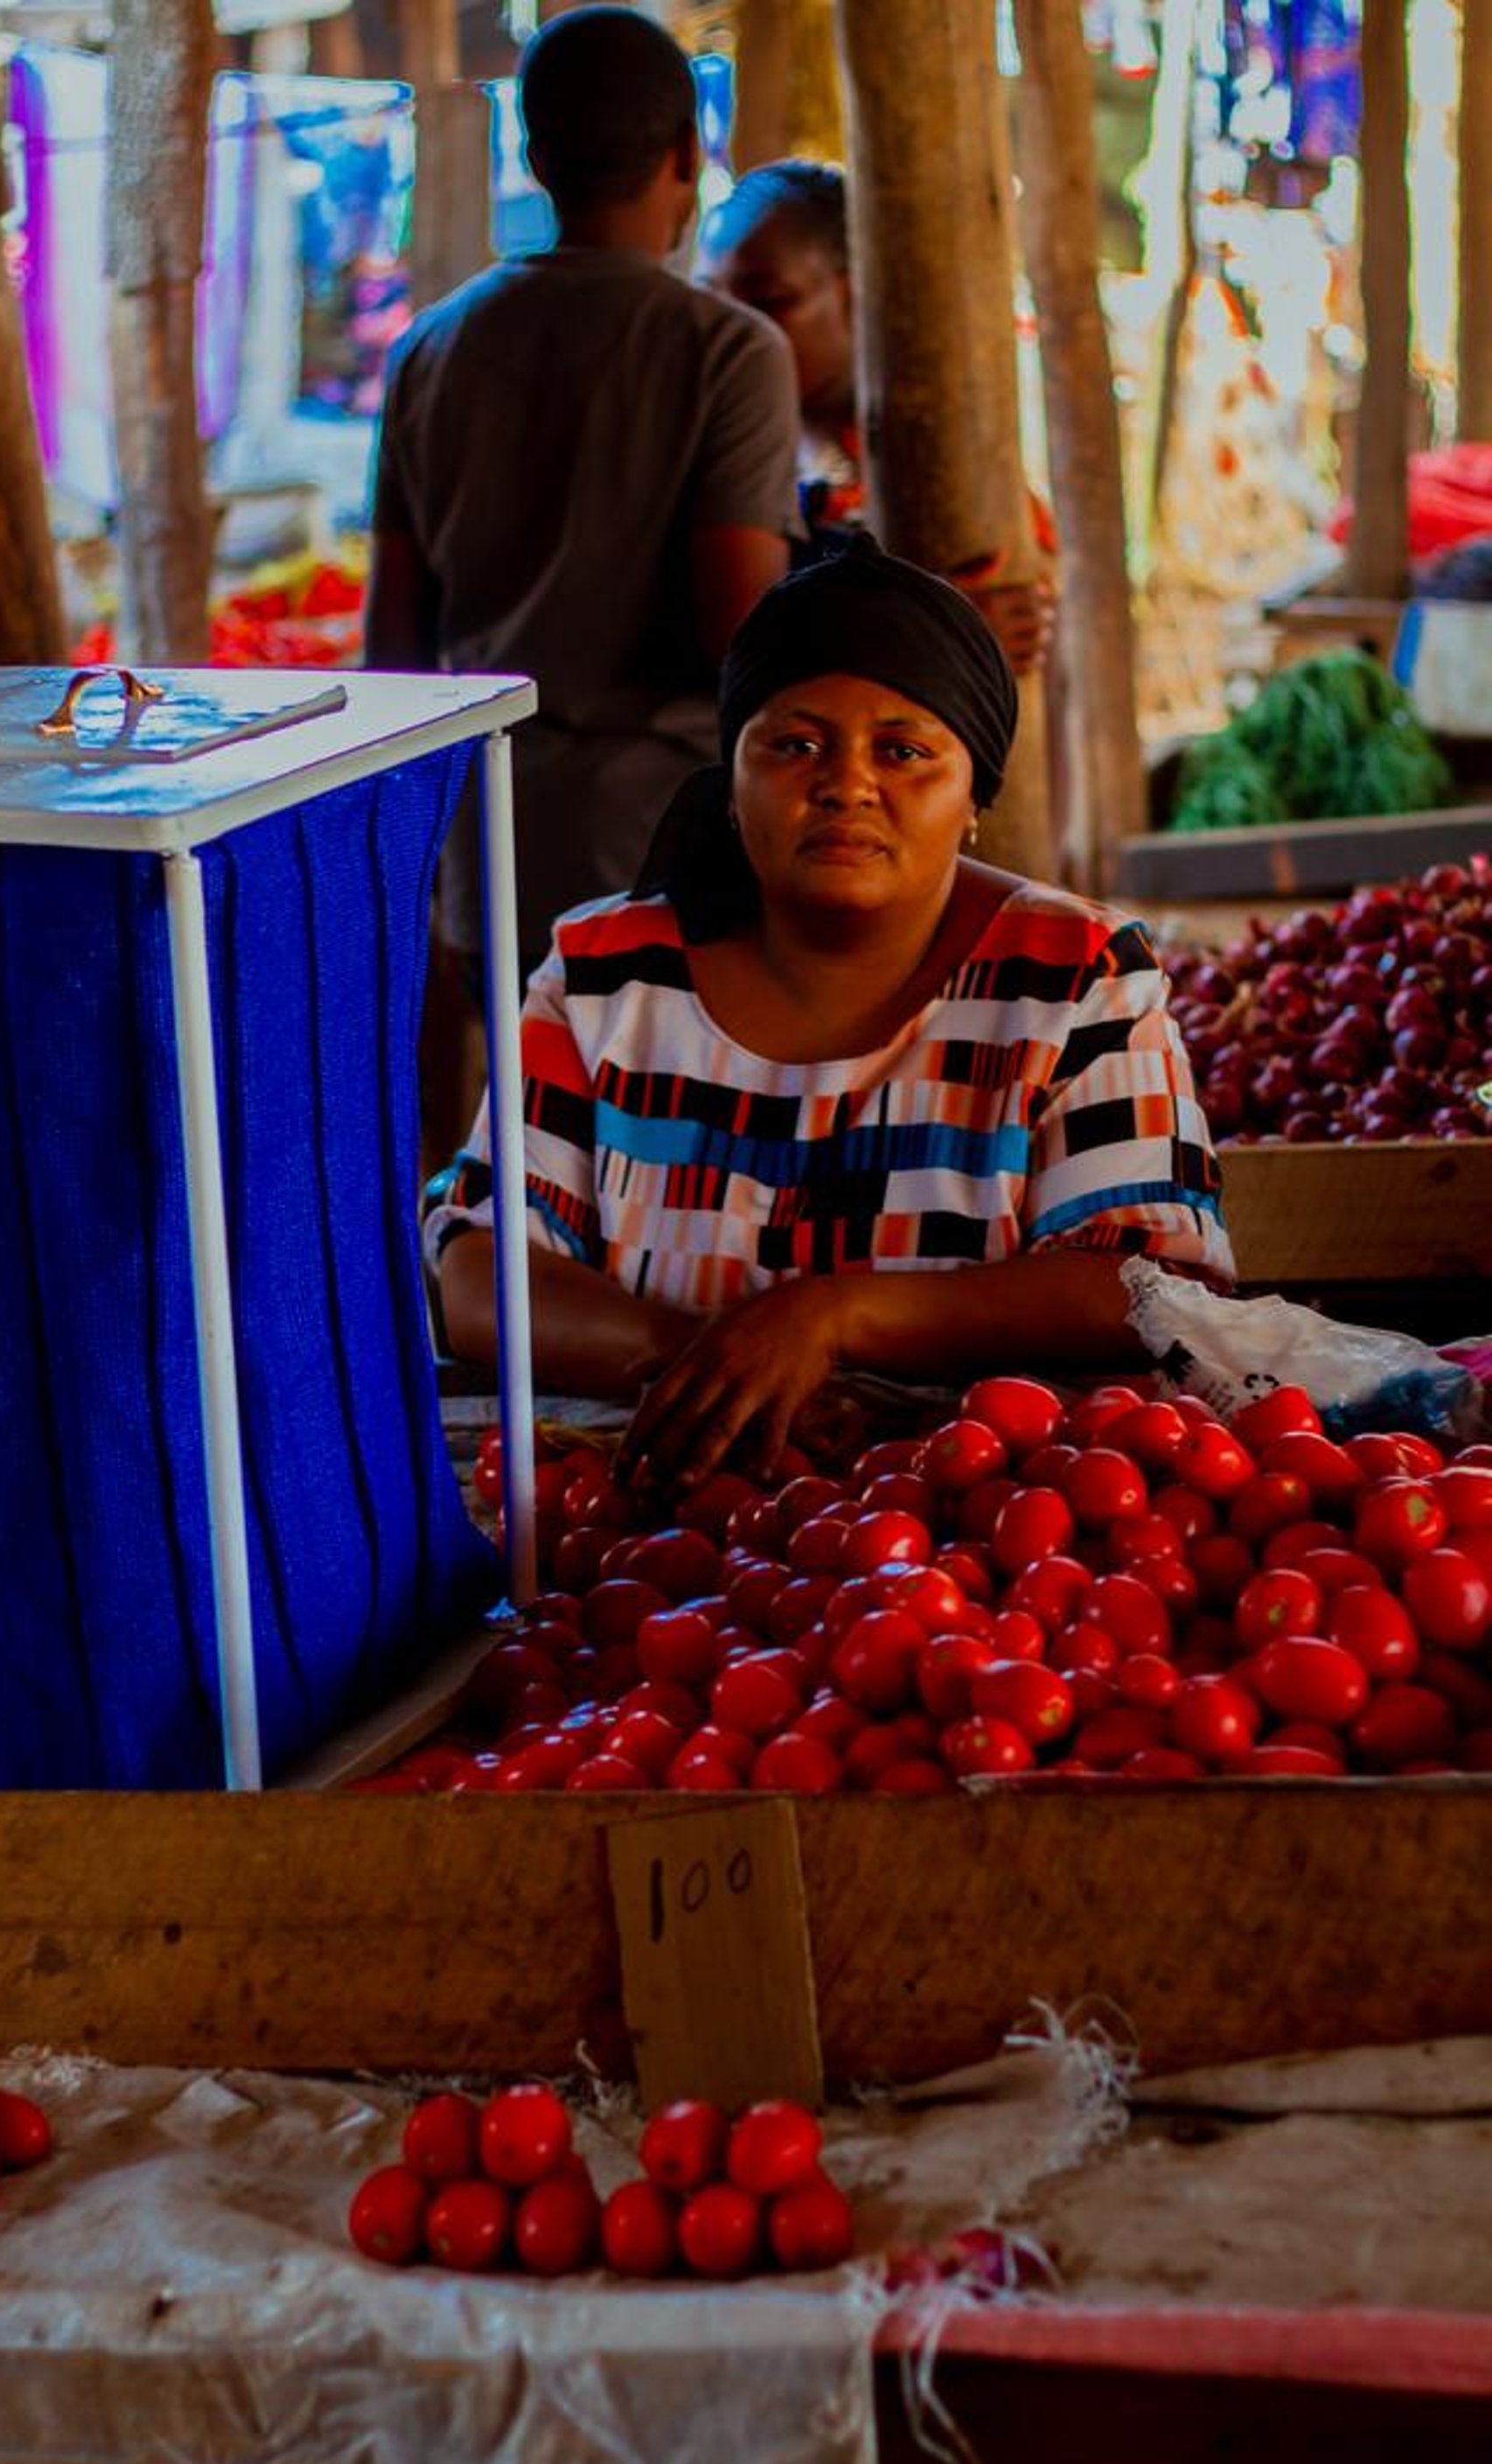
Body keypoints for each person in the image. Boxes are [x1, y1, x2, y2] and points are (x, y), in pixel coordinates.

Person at [427, 538, 1232, 1491]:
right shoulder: (607, 977)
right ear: (731, 777)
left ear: (974, 791)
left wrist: (828, 1319)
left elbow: (1148, 1287)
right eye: (796, 744)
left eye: (904, 751)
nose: (847, 783)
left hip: (981, 1533)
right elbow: (481, 1272)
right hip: (661, 1516)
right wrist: (719, 1366)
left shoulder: (1072, 977)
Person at [365, 7, 803, 974]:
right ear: (689, 152)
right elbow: (745, 633)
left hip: (492, 833)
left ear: (532, 154)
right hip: (662, 840)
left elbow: (392, 648)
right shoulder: (727, 352)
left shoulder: (429, 349)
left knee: (528, 1115)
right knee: (653, 1117)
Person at [694, 160, 1056, 676]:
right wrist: (926, 632)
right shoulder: (692, 441)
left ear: (855, 294)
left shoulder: (937, 474)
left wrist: (957, 636)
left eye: (769, 302)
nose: (733, 336)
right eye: (710, 304)